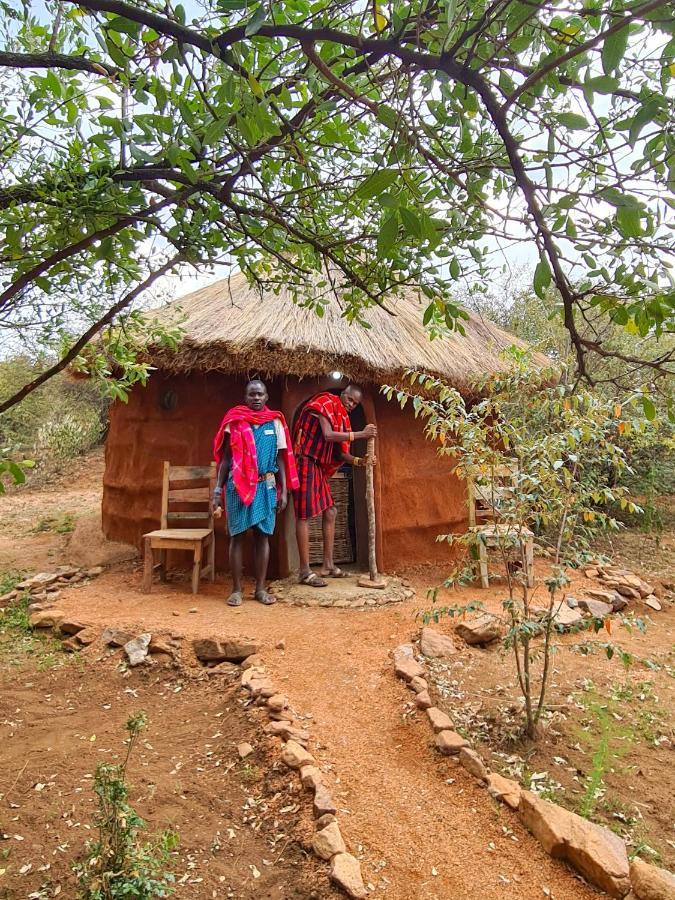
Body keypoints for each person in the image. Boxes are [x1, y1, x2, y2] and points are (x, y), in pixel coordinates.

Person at [212, 380, 298, 607]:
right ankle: (236, 590)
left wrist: (284, 490)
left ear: (267, 397)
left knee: (263, 536)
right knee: (237, 536)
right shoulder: (235, 421)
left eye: (260, 394)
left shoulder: (276, 423)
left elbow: (281, 458)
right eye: (252, 395)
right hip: (237, 486)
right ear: (245, 397)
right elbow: (227, 459)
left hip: (266, 486)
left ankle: (260, 589)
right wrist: (217, 490)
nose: (256, 398)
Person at [292, 385, 376, 587]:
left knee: (330, 512)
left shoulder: (342, 418)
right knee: (303, 515)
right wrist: (360, 435)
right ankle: (304, 571)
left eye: (355, 403)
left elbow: (338, 453)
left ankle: (328, 565)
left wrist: (359, 461)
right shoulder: (325, 404)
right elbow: (328, 435)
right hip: (305, 460)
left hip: (317, 467)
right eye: (349, 399)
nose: (351, 405)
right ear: (342, 395)